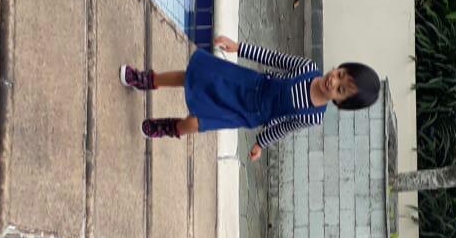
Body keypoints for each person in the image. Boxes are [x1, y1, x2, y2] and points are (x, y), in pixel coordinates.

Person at [120, 37, 380, 161]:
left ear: (340, 103)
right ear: (339, 67)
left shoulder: (313, 116)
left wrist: (260, 143)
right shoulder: (307, 68)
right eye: (340, 74)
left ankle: (168, 128)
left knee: (197, 122)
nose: (333, 81)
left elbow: (283, 127)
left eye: (340, 90)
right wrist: (239, 47)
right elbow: (273, 58)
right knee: (195, 76)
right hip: (247, 83)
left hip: (248, 114)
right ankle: (148, 80)